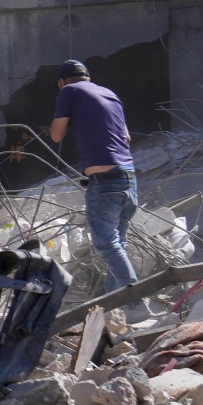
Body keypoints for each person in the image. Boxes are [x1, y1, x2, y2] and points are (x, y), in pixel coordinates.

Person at [47, 59, 143, 309]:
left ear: (60, 82)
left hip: (105, 183)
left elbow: (57, 135)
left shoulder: (69, 91)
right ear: (88, 76)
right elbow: (126, 137)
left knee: (106, 244)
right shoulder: (110, 94)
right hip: (129, 179)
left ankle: (136, 302)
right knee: (117, 246)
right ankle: (112, 307)